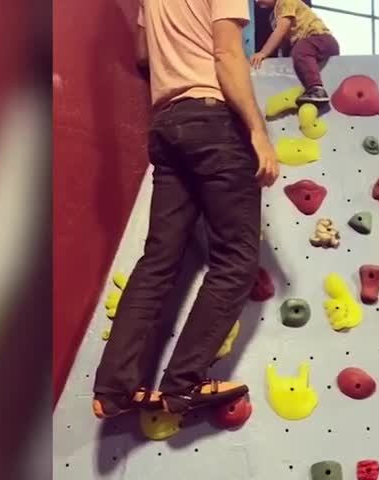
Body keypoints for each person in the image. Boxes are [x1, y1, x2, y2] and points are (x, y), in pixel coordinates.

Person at [92, 0, 280, 419]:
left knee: (159, 259)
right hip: (213, 121)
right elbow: (227, 53)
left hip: (166, 125)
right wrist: (257, 131)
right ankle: (183, 384)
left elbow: (143, 53)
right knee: (235, 258)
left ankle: (113, 389)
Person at [251, 0, 340, 105]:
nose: (257, 1)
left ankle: (316, 89)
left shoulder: (286, 2)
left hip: (321, 39)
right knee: (296, 53)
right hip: (308, 45)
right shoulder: (273, 16)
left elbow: (282, 30)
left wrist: (263, 53)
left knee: (300, 50)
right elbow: (284, 40)